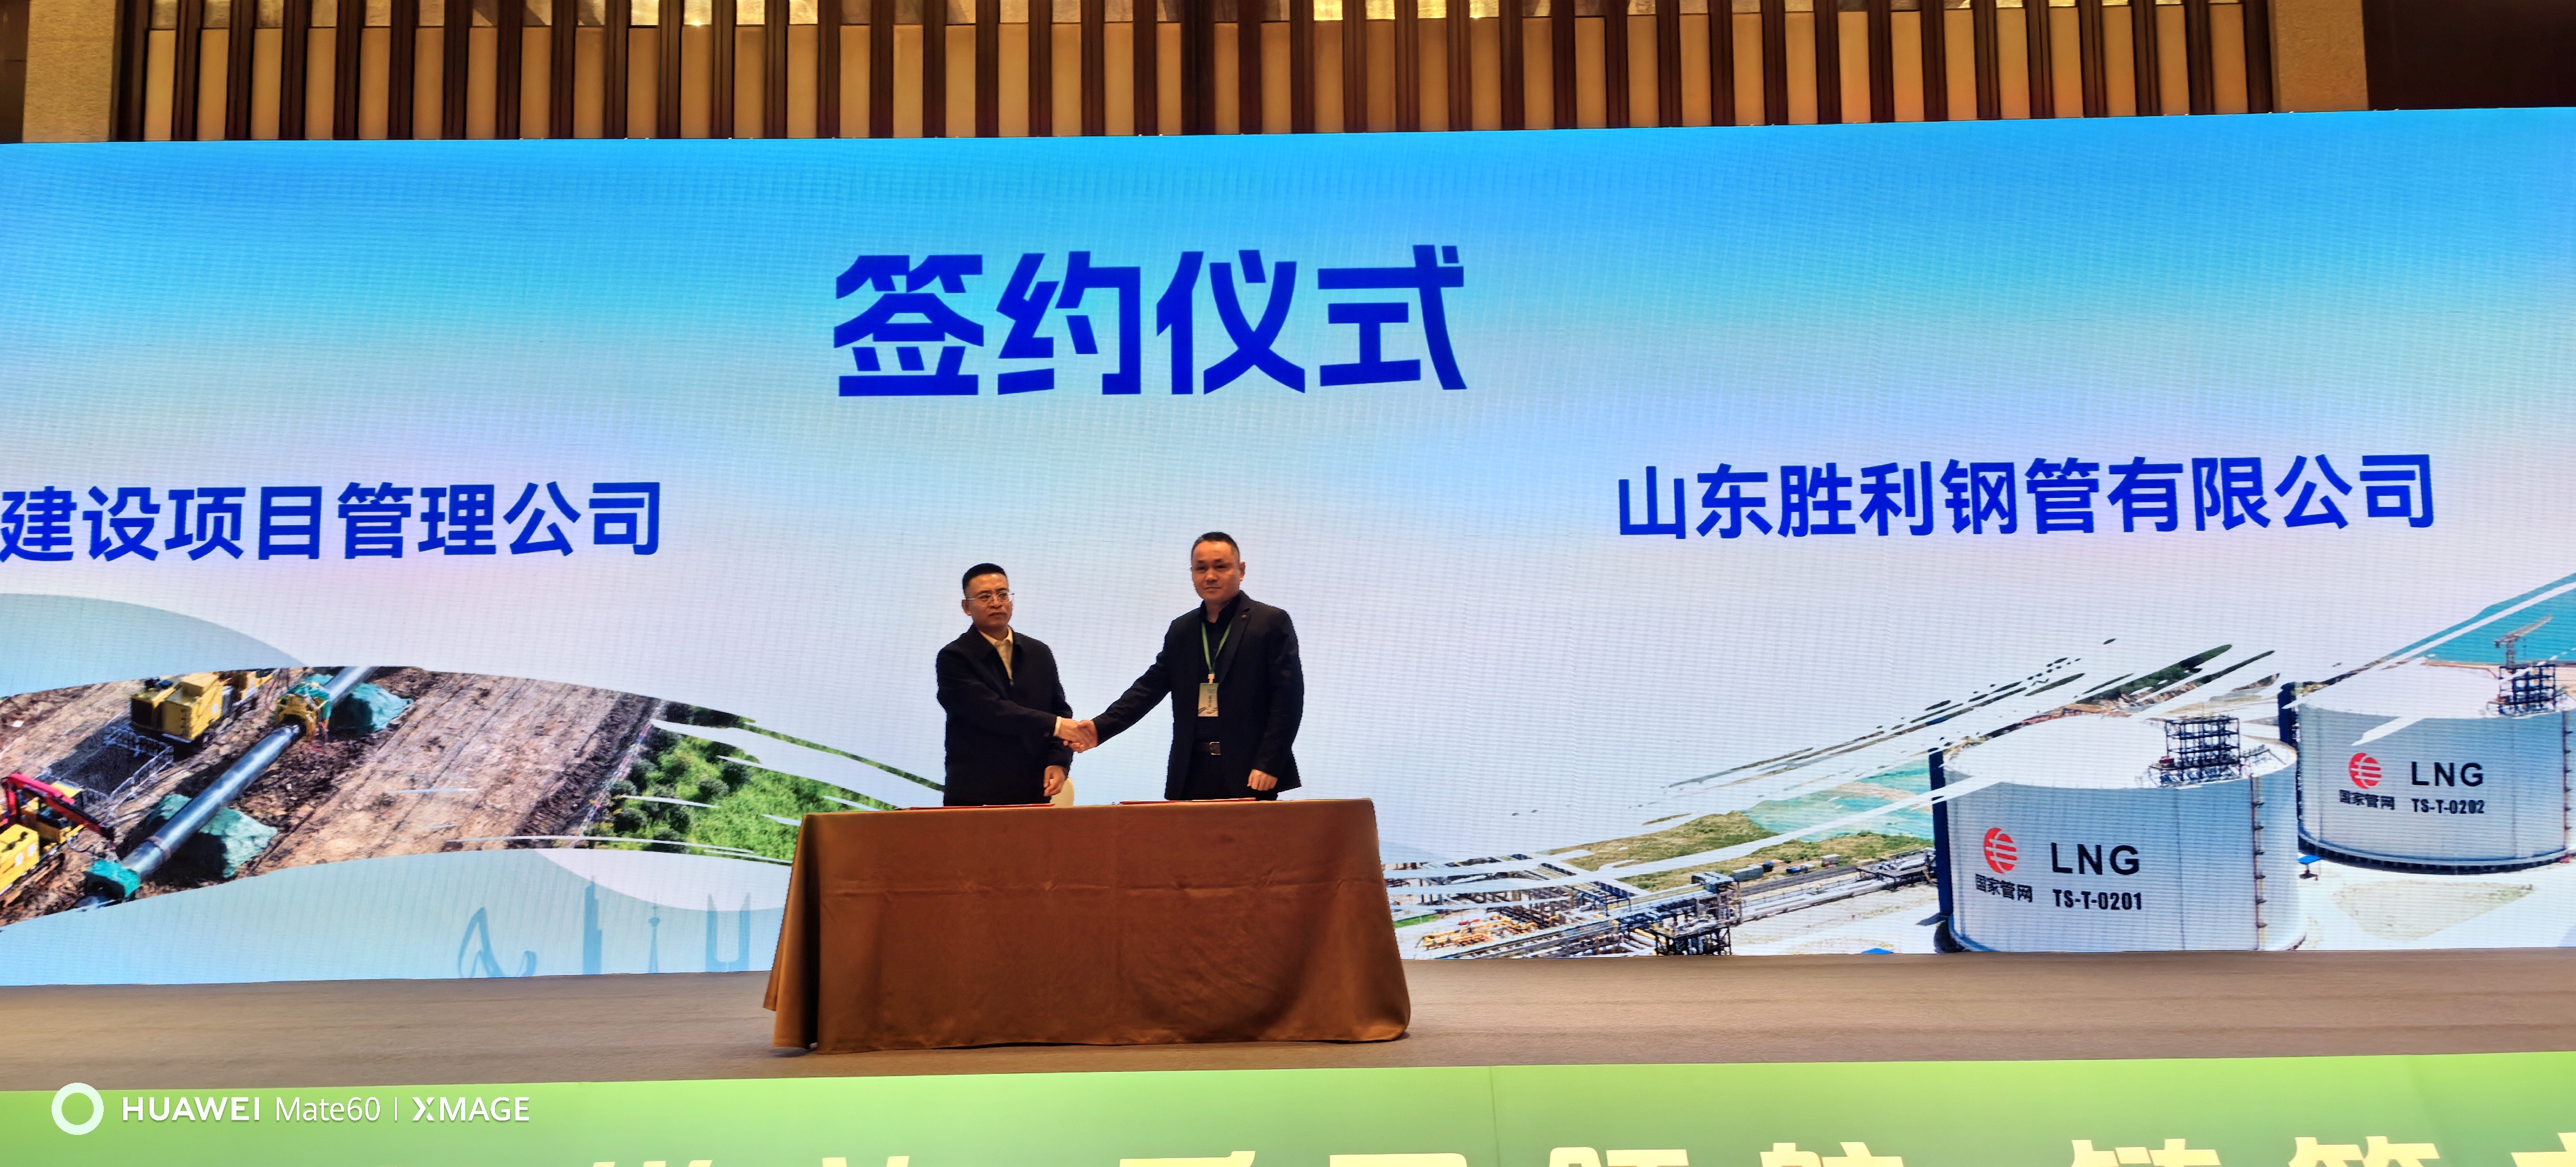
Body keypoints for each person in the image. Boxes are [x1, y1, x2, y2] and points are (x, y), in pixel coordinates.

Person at [1082, 533, 1304, 801]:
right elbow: (1147, 689)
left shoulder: (1270, 622)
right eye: (1201, 568)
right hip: (1191, 771)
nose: (1210, 576)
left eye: (1220, 567)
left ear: (1241, 570)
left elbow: (1288, 700)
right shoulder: (1182, 629)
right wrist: (1100, 728)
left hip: (1251, 772)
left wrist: (1269, 763)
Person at [935, 563, 1089, 807]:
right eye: (985, 597)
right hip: (974, 796)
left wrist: (1059, 762)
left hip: (1034, 792)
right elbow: (991, 711)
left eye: (1003, 594)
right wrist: (1057, 726)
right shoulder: (954, 658)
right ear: (966, 607)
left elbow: (1060, 710)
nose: (996, 603)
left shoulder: (1038, 652)